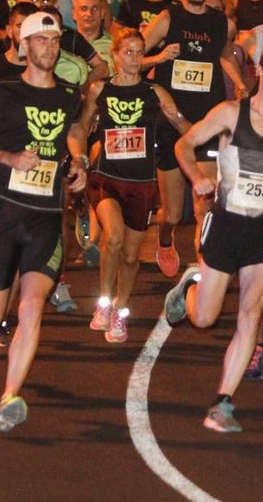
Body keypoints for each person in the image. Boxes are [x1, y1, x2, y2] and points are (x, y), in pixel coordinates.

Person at [164, 42, 263, 433]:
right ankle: (189, 287)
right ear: (260, 70)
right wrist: (197, 179)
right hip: (226, 223)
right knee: (204, 318)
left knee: (249, 314)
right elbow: (185, 143)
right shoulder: (231, 113)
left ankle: (223, 402)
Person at [0, 11, 88, 432]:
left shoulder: (69, 94)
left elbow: (74, 132)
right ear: (24, 45)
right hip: (5, 213)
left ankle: (10, 395)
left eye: (55, 40)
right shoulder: (0, 92)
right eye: (41, 40)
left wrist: (80, 161)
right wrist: (7, 157)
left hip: (48, 217)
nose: (49, 47)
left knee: (32, 305)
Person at [77, 28, 189, 342]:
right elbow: (81, 128)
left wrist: (210, 139)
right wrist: (80, 159)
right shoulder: (100, 90)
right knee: (112, 237)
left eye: (139, 52)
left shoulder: (154, 91)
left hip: (141, 183)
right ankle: (103, 302)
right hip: (106, 178)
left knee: (130, 255)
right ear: (114, 55)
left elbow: (180, 123)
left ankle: (120, 309)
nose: (134, 58)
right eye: (128, 52)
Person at [142, 0, 244, 277]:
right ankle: (165, 238)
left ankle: (204, 272)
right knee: (172, 213)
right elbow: (130, 56)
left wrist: (241, 83)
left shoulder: (220, 22)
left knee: (206, 205)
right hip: (172, 123)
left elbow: (224, 53)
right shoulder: (168, 19)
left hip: (207, 122)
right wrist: (158, 59)